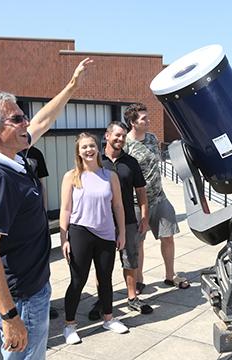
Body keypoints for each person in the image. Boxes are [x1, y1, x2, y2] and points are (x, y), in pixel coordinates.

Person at [0, 57, 93, 359]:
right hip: (21, 297)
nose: (26, 123)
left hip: (33, 288)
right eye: (17, 119)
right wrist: (10, 317)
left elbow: (43, 121)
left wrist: (72, 87)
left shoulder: (14, 153)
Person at [60, 132, 129, 345]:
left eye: (92, 146)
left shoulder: (110, 176)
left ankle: (108, 318)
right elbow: (65, 209)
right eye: (84, 147)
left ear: (98, 148)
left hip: (106, 234)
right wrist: (64, 238)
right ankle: (69, 325)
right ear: (78, 152)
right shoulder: (71, 176)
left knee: (105, 279)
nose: (89, 150)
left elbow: (118, 206)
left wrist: (122, 232)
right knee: (78, 280)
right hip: (80, 232)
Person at [88, 122, 153, 320]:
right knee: (102, 263)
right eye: (117, 135)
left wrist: (144, 216)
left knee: (130, 258)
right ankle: (102, 300)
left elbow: (141, 191)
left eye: (124, 136)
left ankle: (132, 297)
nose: (120, 139)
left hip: (128, 220)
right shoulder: (95, 161)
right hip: (102, 221)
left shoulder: (131, 162)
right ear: (107, 136)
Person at [123, 103, 190, 294]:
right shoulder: (126, 145)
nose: (148, 121)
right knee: (138, 242)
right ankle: (139, 280)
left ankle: (170, 275)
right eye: (144, 119)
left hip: (160, 197)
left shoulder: (152, 138)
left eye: (147, 117)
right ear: (133, 122)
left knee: (168, 237)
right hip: (137, 203)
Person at [25, 145, 59, 320]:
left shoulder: (35, 154)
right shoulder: (5, 152)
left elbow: (41, 185)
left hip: (37, 217)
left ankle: (46, 302)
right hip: (17, 221)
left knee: (41, 260)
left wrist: (44, 214)